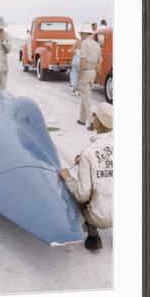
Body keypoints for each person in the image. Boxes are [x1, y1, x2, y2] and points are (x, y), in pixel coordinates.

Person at [59, 102, 113, 251]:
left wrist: (68, 177)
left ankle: (93, 234)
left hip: (99, 216)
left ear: (98, 122)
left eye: (94, 115)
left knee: (74, 188)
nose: (92, 118)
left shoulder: (89, 152)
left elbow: (82, 195)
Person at [77, 22, 102, 130]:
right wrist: (96, 72)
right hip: (92, 72)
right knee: (85, 95)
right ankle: (82, 120)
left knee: (86, 97)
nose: (80, 36)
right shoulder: (96, 44)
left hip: (86, 71)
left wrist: (81, 72)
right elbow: (100, 60)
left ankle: (92, 122)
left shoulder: (84, 43)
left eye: (81, 33)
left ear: (85, 34)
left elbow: (83, 59)